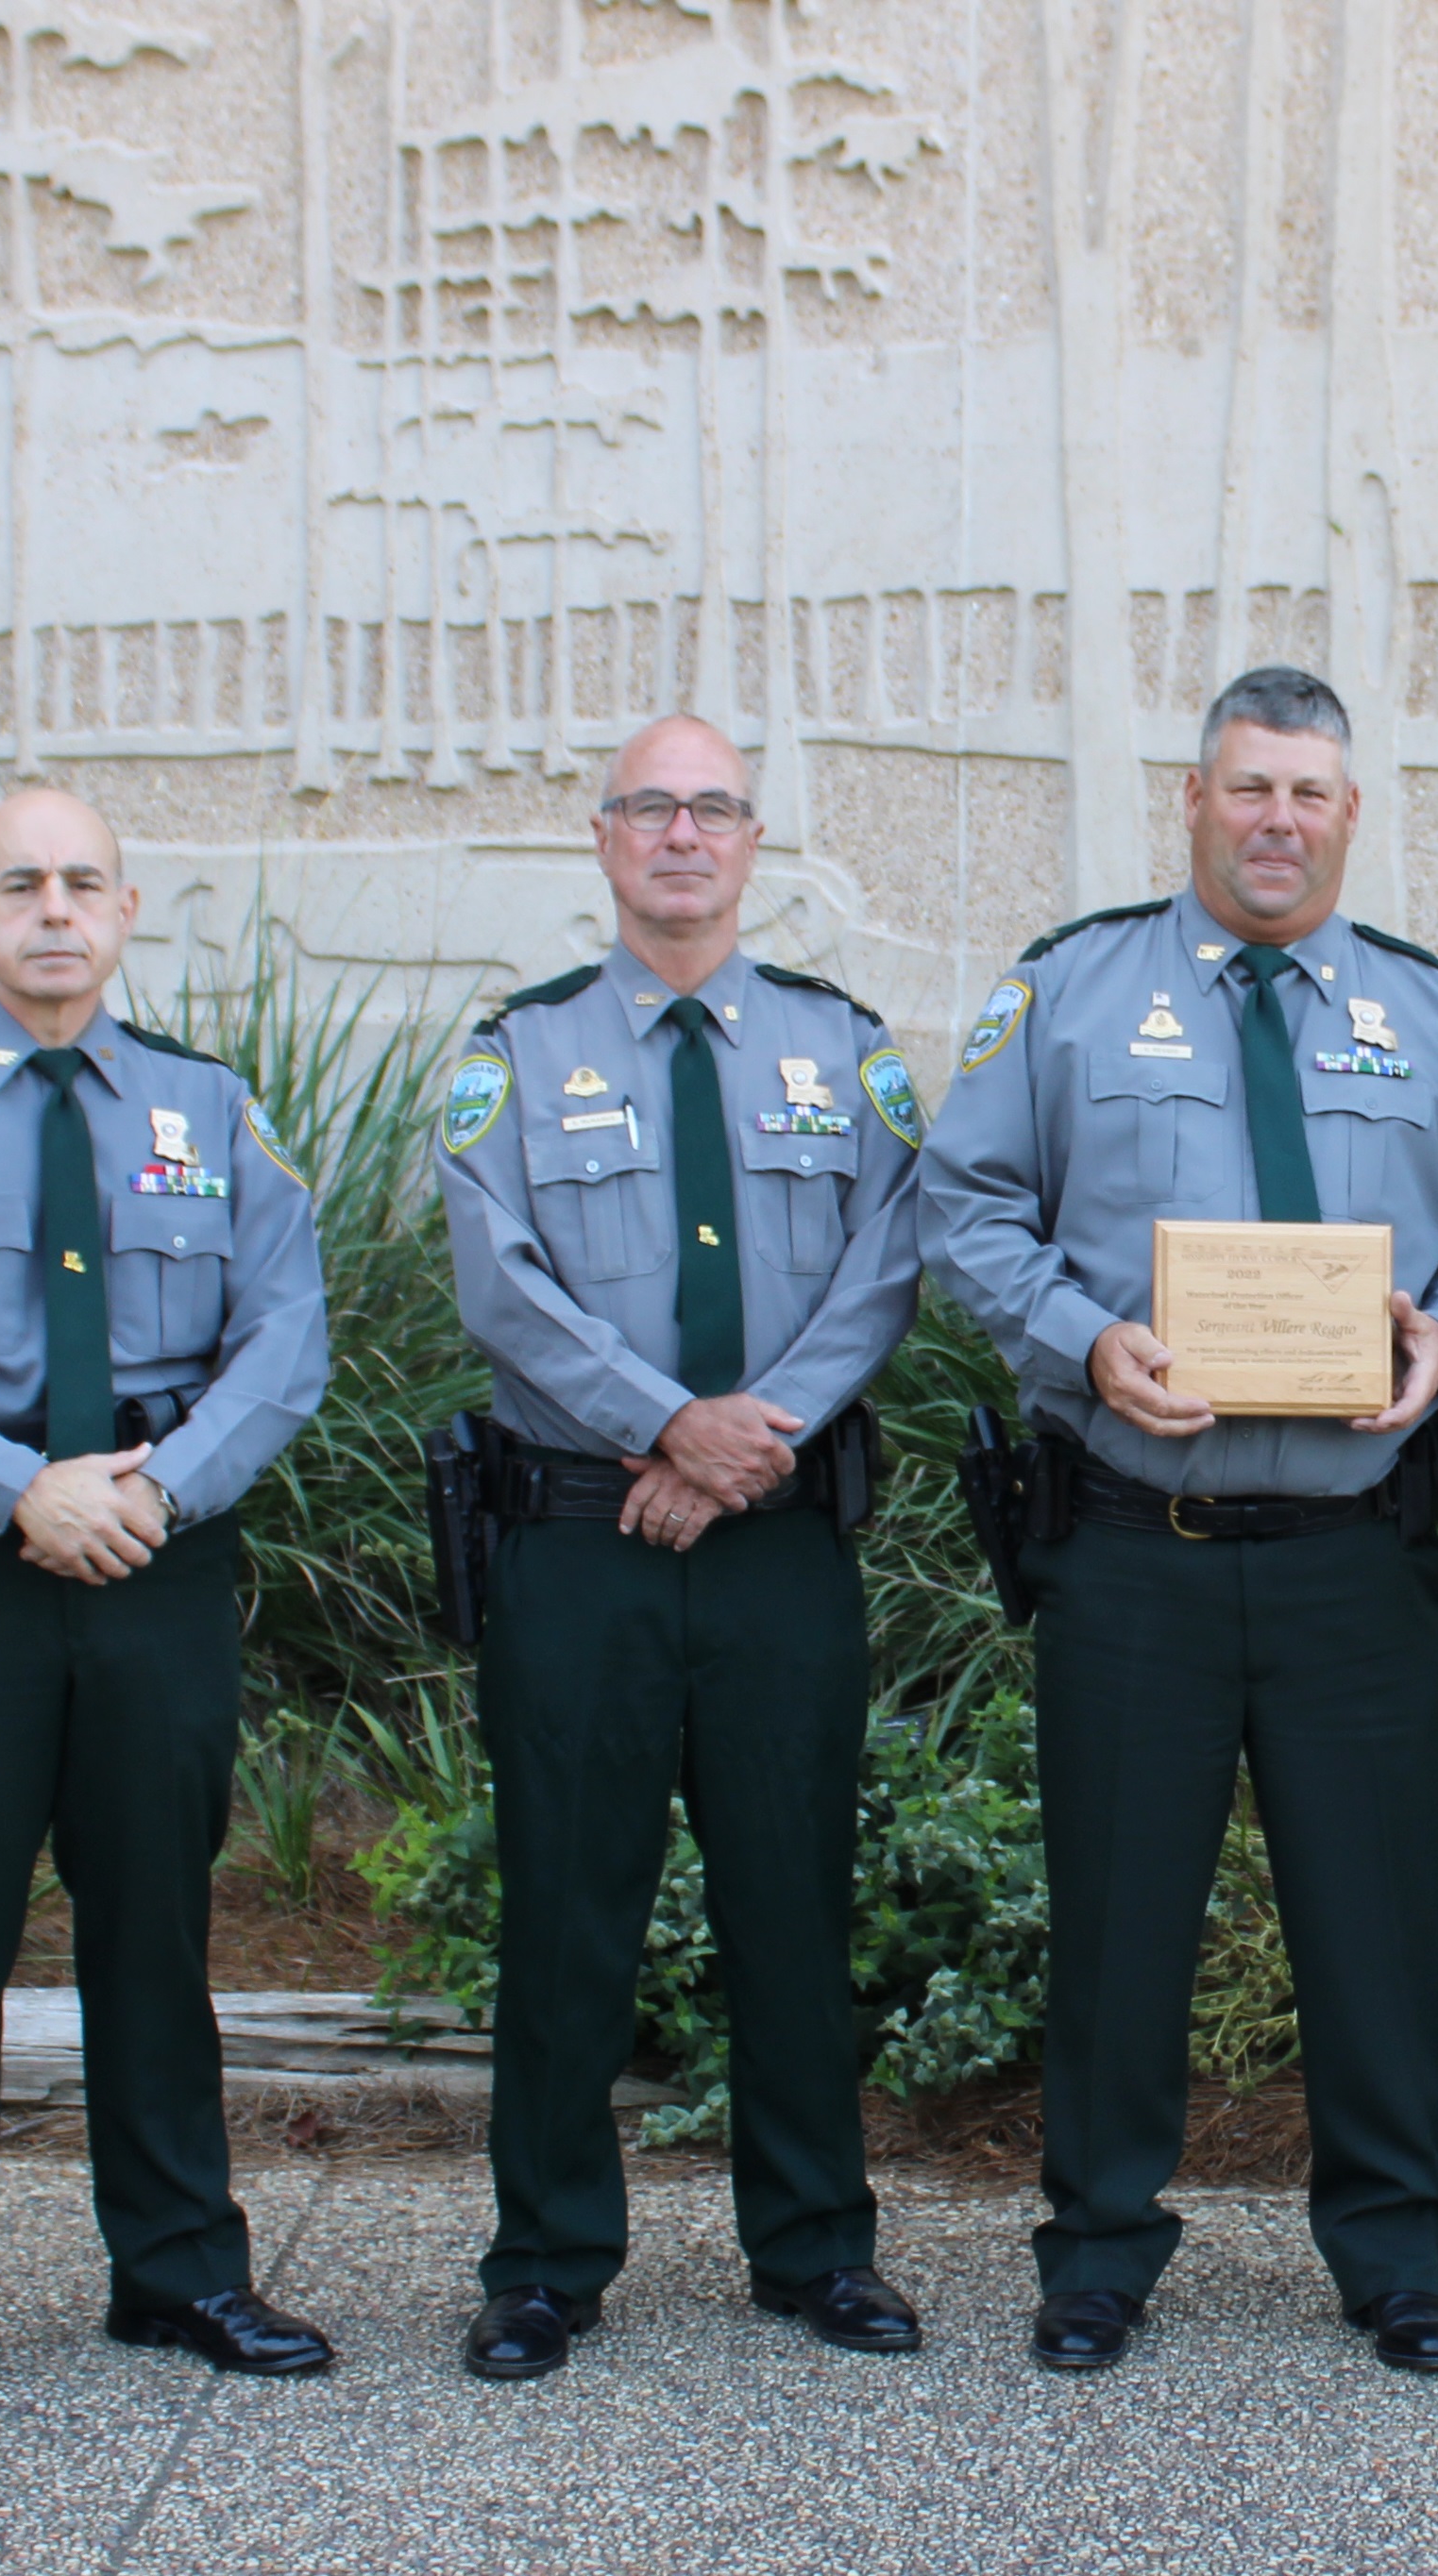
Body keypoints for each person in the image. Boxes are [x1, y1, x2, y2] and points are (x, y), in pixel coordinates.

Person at [922, 665, 1438, 2376]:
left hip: (1349, 1555)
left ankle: (1394, 2255)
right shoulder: (1072, 993)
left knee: (1380, 1925)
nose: (1277, 821)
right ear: (1192, 800)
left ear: (1348, 814)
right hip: (1131, 1546)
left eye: (1309, 794)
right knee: (1117, 1916)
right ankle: (1099, 2249)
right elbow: (962, 1204)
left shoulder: (1427, 1014)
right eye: (1248, 788)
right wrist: (1078, 1340)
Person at [0, 786, 336, 2420]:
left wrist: (154, 1488)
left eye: (82, 881)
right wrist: (10, 1484)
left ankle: (179, 2271)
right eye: (17, 882)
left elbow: (285, 1333)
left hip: (156, 1551)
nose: (52, 908)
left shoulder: (208, 1110)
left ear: (128, 907)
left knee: (155, 1922)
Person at [431, 715, 928, 2381]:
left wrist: (738, 1441)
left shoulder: (838, 1048)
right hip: (583, 1548)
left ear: (752, 838)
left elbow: (886, 1261)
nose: (683, 836)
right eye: (652, 807)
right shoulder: (521, 1052)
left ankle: (813, 2249)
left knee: (793, 1899)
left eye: (713, 808)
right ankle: (546, 2260)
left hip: (775, 1540)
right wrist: (664, 1424)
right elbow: (499, 1282)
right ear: (602, 837)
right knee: (570, 1905)